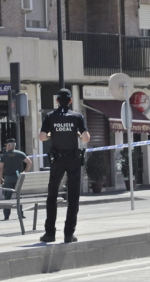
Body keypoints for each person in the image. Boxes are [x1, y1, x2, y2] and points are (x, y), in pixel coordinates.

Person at [38, 88, 90, 243]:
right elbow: (86, 138)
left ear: (56, 101)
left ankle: (50, 233)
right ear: (70, 101)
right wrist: (77, 133)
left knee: (52, 196)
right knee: (73, 197)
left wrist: (52, 134)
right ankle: (68, 234)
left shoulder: (50, 116)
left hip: (57, 160)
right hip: (73, 160)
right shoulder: (77, 117)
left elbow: (41, 137)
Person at [0, 138, 32, 220]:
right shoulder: (20, 154)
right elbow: (29, 162)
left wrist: (1, 178)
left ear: (9, 146)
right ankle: (20, 214)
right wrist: (24, 172)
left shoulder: (4, 156)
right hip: (18, 178)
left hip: (8, 178)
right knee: (18, 197)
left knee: (7, 197)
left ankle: (6, 215)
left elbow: (1, 168)